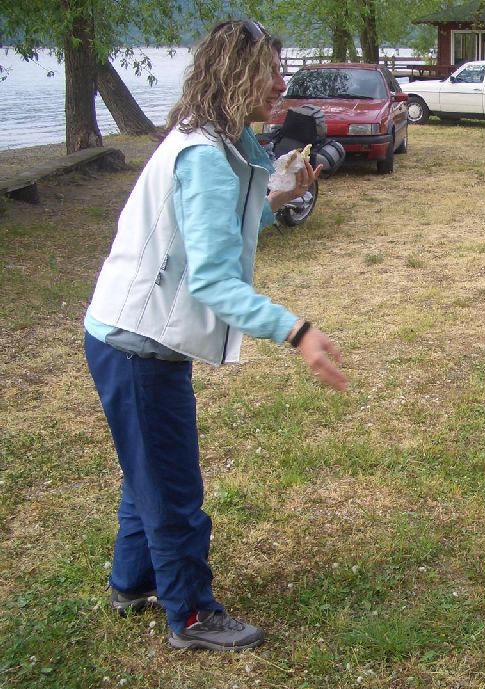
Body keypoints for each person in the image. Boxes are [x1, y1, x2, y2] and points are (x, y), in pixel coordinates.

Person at [83, 19, 348, 652]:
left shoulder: (216, 138)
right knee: (173, 485)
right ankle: (193, 615)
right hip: (137, 343)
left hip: (131, 335)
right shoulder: (203, 155)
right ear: (238, 74)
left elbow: (235, 215)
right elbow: (212, 280)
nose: (280, 84)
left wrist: (282, 195)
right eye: (270, 72)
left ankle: (132, 581)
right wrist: (298, 331)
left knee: (147, 468)